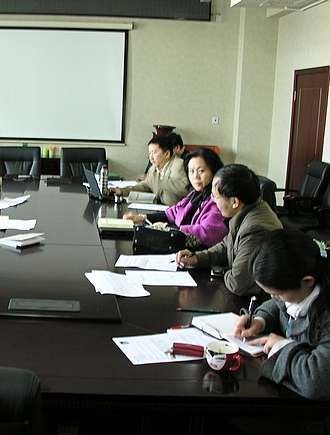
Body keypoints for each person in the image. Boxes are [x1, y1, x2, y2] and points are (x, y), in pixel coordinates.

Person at [233, 230, 330, 400]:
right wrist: (260, 320)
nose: (273, 298)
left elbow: (316, 381)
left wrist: (283, 347)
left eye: (277, 293)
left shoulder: (325, 317)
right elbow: (278, 306)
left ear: (307, 281)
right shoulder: (301, 291)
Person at [176, 164, 283, 297]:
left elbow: (237, 283)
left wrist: (221, 271)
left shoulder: (255, 229)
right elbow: (226, 246)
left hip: (256, 300)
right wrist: (197, 259)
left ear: (234, 202)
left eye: (215, 197)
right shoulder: (247, 210)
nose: (213, 202)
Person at [123, 148, 227, 249]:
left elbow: (206, 233)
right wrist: (142, 218)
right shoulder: (194, 195)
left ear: (214, 171)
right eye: (191, 171)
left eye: (201, 171)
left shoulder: (217, 201)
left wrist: (168, 228)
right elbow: (171, 214)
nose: (195, 176)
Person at [115, 134, 189, 206]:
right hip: (159, 208)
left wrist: (160, 180)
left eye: (153, 153)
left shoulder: (179, 165)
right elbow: (145, 185)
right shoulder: (153, 168)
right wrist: (121, 191)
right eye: (149, 153)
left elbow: (186, 189)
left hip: (177, 211)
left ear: (167, 154)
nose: (150, 157)